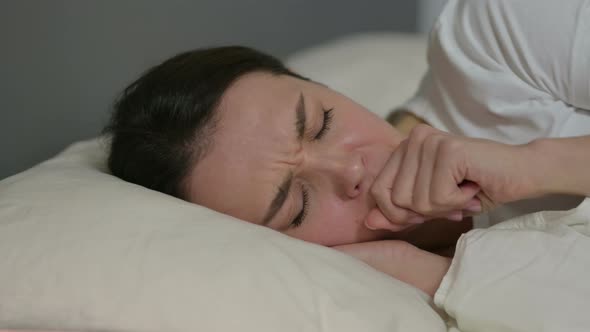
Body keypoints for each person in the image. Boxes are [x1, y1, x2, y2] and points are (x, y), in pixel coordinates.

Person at [105, 0, 590, 297]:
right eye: (297, 205)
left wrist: (541, 165)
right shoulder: (418, 282)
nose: (349, 167)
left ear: (324, 86)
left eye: (320, 123)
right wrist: (447, 277)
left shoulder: (496, 39)